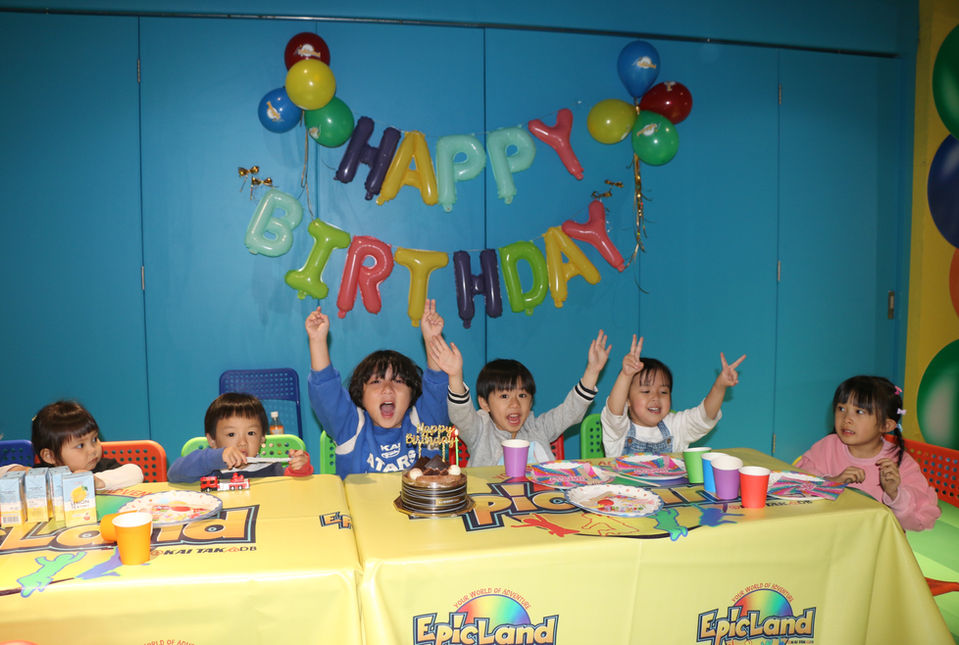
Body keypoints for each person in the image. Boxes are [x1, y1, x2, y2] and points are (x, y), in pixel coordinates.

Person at [305, 300, 450, 476]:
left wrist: (432, 339)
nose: (387, 388)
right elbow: (326, 392)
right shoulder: (351, 428)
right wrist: (317, 341)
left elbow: (437, 389)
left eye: (398, 381)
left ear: (412, 392)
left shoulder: (425, 425)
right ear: (361, 394)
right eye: (376, 382)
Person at [427, 329, 611, 466]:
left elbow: (570, 412)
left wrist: (592, 372)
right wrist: (455, 376)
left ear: (531, 402)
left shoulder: (538, 428)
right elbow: (461, 415)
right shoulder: (480, 430)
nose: (515, 403)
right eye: (504, 395)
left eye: (522, 395)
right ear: (484, 403)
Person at [796, 375, 940, 531]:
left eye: (859, 411)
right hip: (833, 535)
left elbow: (921, 521)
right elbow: (796, 485)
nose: (847, 419)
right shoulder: (827, 447)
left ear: (886, 425)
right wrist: (832, 483)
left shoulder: (901, 463)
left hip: (878, 541)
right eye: (841, 409)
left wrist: (895, 494)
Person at [602, 335, 746, 457]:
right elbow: (614, 412)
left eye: (663, 392)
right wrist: (626, 375)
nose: (656, 397)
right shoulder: (618, 430)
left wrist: (719, 386)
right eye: (646, 391)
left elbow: (704, 416)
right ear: (627, 399)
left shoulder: (675, 426)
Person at [167, 392, 312, 483]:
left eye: (251, 433)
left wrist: (299, 468)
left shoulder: (272, 469)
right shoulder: (210, 470)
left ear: (262, 438)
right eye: (231, 434)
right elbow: (173, 474)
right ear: (212, 440)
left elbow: (294, 491)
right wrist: (215, 458)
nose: (242, 443)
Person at [6, 400, 145, 491]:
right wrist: (14, 470)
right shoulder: (42, 476)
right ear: (50, 456)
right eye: (80, 446)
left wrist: (97, 482)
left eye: (94, 439)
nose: (92, 450)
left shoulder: (102, 467)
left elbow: (135, 472)